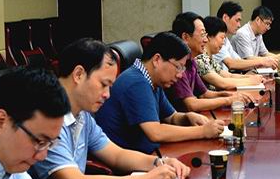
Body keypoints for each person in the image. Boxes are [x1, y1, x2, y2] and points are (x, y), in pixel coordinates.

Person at [29, 38, 189, 179]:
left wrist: (160, 162)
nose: (107, 95)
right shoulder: (47, 118)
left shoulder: (83, 115)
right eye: (103, 84)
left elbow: (116, 155)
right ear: (79, 74)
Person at [95, 32, 224, 154]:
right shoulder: (136, 83)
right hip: (128, 161)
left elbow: (171, 117)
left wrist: (187, 117)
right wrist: (202, 131)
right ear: (157, 60)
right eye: (178, 67)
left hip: (149, 152)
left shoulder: (154, 81)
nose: (180, 75)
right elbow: (156, 132)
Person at [169, 12, 256, 112]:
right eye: (202, 35)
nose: (206, 40)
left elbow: (204, 94)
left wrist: (229, 95)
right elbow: (191, 104)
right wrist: (228, 100)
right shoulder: (178, 65)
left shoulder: (191, 61)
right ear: (185, 37)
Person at [196, 16, 266, 91]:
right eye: (222, 38)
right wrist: (251, 81)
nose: (223, 43)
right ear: (209, 36)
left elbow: (229, 76)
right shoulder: (200, 59)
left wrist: (252, 78)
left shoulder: (210, 59)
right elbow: (222, 83)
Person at [215, 1, 279, 71]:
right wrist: (263, 62)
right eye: (237, 20)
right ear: (225, 18)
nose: (239, 25)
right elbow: (232, 64)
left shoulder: (226, 40)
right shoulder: (216, 39)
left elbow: (238, 61)